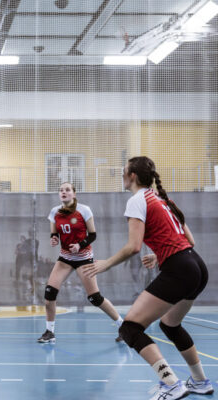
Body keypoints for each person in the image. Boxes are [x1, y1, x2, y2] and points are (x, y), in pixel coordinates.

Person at [83, 156, 212, 400]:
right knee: (170, 324)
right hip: (195, 265)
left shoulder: (137, 200)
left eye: (124, 170)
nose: (122, 175)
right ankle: (200, 381)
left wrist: (106, 263)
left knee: (130, 328)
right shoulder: (162, 199)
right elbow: (189, 241)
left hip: (180, 269)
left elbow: (133, 246)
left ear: (132, 175)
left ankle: (171, 384)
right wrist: (158, 254)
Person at [38, 182, 123, 343]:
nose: (63, 192)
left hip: (84, 258)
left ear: (74, 193)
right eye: (61, 190)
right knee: (49, 294)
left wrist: (79, 245)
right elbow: (54, 233)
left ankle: (123, 326)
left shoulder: (84, 210)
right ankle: (50, 332)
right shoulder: (54, 212)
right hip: (65, 258)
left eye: (67, 190)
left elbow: (92, 235)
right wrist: (54, 239)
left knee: (95, 298)